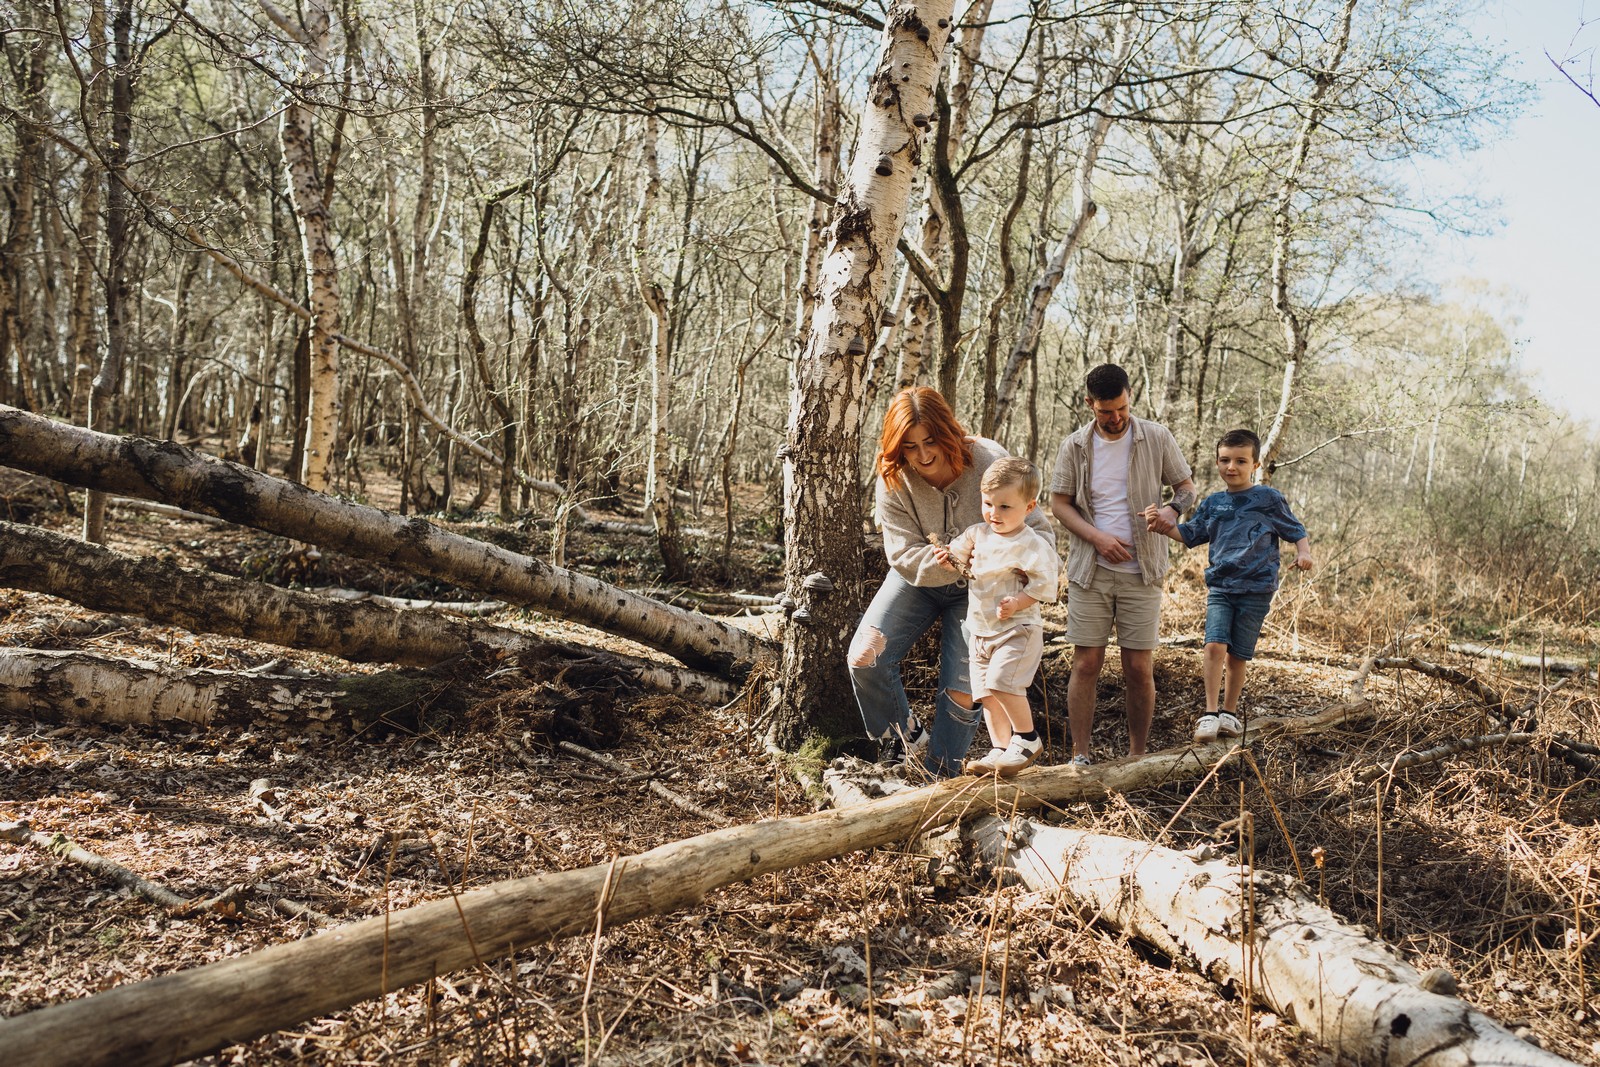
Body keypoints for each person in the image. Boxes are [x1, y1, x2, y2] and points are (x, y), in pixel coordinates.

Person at [849, 387, 1057, 778]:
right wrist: (955, 562)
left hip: (983, 593)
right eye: (910, 446)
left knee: (964, 689)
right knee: (864, 656)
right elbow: (903, 555)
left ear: (948, 432)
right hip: (918, 579)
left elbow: (1039, 530)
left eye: (930, 441)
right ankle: (903, 739)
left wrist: (1018, 567)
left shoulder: (988, 458)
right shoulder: (893, 479)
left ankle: (939, 777)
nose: (923, 455)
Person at [1049, 364, 1196, 766]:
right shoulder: (1074, 446)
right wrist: (1097, 537)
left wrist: (1172, 510)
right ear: (1089, 404)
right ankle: (1080, 756)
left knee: (1138, 668)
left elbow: (1186, 487)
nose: (1115, 418)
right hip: (1090, 571)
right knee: (1086, 663)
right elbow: (1059, 504)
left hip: (1143, 570)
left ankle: (1136, 758)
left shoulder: (1157, 437)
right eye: (1105, 412)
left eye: (1122, 409)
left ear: (1130, 397)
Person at [1143, 428, 1312, 741]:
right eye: (1225, 460)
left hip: (1257, 589)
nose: (1231, 467)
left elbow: (1295, 530)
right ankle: (1209, 713)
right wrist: (1161, 525)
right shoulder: (1214, 503)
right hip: (1221, 587)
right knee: (1214, 645)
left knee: (1238, 656)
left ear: (1255, 465)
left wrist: (1304, 553)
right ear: (1217, 462)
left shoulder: (1269, 499)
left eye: (1240, 461)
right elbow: (1189, 534)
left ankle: (1229, 714)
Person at [934, 457, 1060, 777]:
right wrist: (946, 557)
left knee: (1002, 683)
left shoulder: (1030, 543)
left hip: (1017, 629)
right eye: (988, 504)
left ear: (1029, 507)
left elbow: (1045, 584)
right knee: (986, 694)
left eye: (1005, 506)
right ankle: (1001, 750)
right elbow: (956, 558)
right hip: (980, 630)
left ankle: (1027, 738)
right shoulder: (977, 534)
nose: (994, 513)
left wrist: (1018, 602)